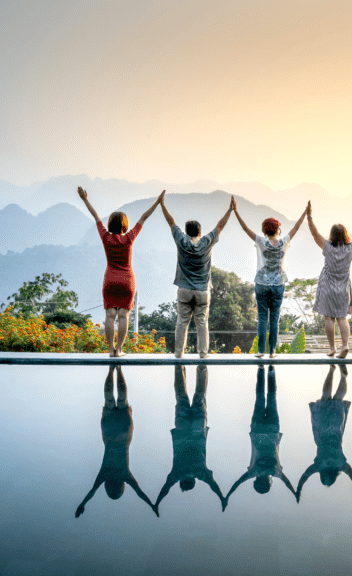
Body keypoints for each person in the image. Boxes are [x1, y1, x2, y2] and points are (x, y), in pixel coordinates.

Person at [77, 186, 161, 357]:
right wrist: (158, 202)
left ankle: (110, 350)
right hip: (127, 281)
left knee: (110, 315)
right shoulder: (129, 238)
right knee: (123, 316)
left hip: (110, 280)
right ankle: (119, 350)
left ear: (110, 225)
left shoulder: (105, 237)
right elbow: (144, 217)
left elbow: (95, 216)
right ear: (124, 225)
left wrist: (85, 199)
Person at [158, 191, 235, 358]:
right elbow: (220, 226)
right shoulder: (207, 242)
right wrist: (230, 210)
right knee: (201, 322)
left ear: (186, 232)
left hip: (184, 289)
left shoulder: (181, 240)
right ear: (200, 232)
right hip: (202, 291)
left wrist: (162, 204)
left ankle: (179, 353)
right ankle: (203, 353)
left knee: (182, 322)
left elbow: (171, 222)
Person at [76, 366, 155, 517]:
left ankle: (118, 369)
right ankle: (112, 369)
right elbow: (92, 491)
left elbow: (139, 492)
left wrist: (152, 504)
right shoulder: (105, 475)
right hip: (110, 432)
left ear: (122, 486)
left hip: (124, 433)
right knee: (109, 399)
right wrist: (82, 504)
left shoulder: (124, 475)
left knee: (122, 399)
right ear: (107, 487)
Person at [233, 203, 308, 358]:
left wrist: (235, 211)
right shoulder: (284, 241)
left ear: (264, 230)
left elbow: (245, 228)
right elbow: (296, 227)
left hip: (261, 283)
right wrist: (306, 212)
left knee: (262, 319)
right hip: (278, 284)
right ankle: (272, 351)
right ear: (277, 230)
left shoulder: (261, 241)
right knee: (274, 319)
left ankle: (261, 351)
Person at [151, 365, 226, 516]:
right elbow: (166, 488)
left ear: (193, 481)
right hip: (183, 427)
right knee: (181, 396)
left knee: (200, 396)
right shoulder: (177, 474)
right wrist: (157, 503)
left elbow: (213, 485)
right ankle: (179, 367)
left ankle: (202, 368)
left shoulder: (200, 473)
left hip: (198, 429)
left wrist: (222, 498)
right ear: (182, 481)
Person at [307, 203, 352, 358]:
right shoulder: (350, 249)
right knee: (342, 318)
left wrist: (309, 216)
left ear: (332, 235)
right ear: (345, 235)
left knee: (329, 318)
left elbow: (314, 233)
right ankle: (345, 346)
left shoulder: (327, 247)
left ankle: (332, 348)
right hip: (343, 289)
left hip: (327, 288)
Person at [226, 365, 297, 502]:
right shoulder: (253, 472)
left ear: (268, 482)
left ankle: (271, 369)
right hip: (257, 429)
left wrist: (295, 492)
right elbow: (238, 482)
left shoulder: (275, 472)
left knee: (272, 397)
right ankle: (261, 369)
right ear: (256, 481)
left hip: (272, 429)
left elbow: (287, 482)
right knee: (259, 396)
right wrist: (227, 496)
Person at [296, 364, 352, 501]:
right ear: (325, 475)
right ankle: (332, 370)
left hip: (335, 426)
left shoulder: (340, 466)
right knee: (326, 397)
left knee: (337, 399)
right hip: (322, 427)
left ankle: (343, 377)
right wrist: (299, 489)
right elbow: (305, 476)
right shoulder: (319, 466)